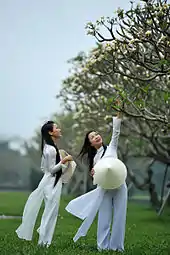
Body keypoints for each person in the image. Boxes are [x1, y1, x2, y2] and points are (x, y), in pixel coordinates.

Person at [66, 105, 127, 252]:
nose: (96, 136)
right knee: (104, 218)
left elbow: (116, 132)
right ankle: (103, 246)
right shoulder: (94, 158)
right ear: (91, 144)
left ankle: (116, 247)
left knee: (119, 218)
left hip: (119, 186)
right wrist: (94, 173)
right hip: (104, 189)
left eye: (97, 134)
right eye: (92, 137)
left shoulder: (111, 148)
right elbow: (96, 177)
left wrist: (119, 110)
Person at [16, 121, 76, 247]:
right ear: (50, 132)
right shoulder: (51, 150)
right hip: (52, 183)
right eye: (56, 128)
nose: (59, 129)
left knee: (50, 212)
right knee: (50, 213)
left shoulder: (50, 148)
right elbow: (51, 170)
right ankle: (44, 242)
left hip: (49, 182)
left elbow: (44, 168)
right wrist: (65, 160)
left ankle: (44, 241)